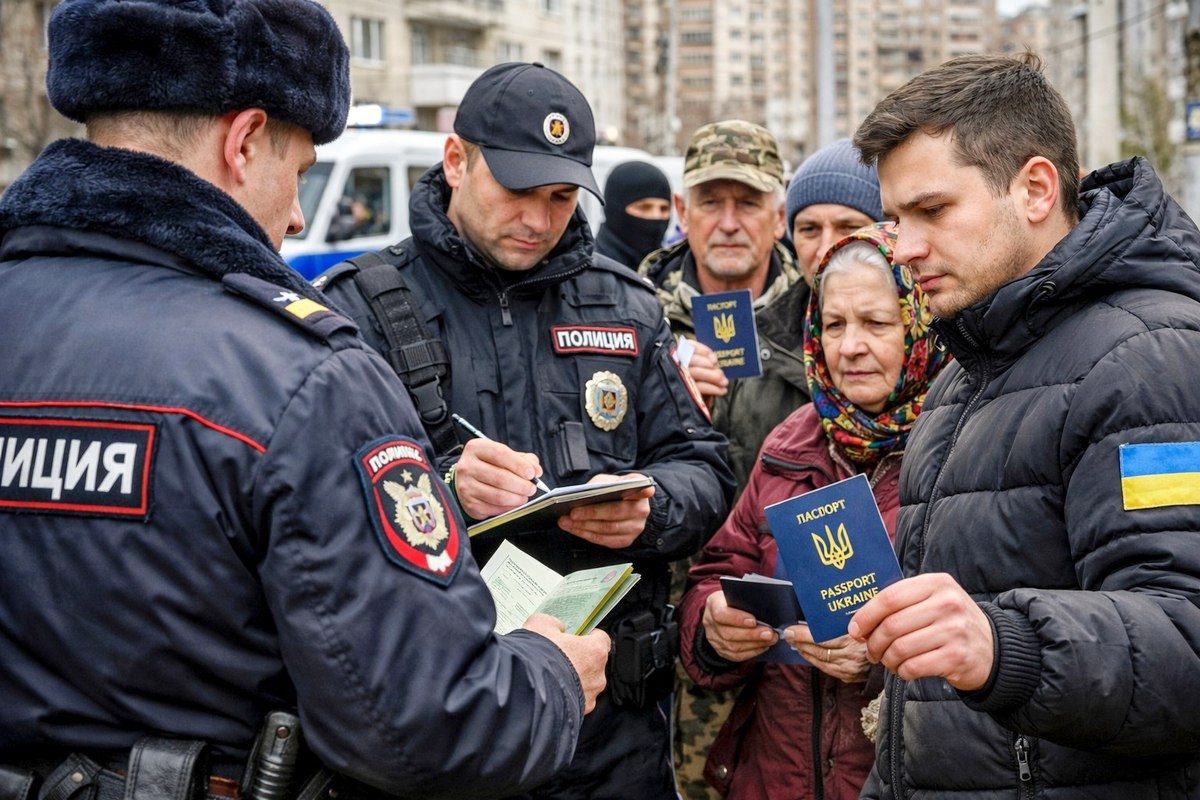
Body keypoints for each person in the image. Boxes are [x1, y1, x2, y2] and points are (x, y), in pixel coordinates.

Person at [0, 5, 611, 800]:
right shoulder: (300, 377)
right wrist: (551, 675)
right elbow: (428, 726)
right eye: (301, 173)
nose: (294, 215)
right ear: (245, 140)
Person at [316, 62, 735, 800]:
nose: (539, 220)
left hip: (611, 732)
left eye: (561, 197)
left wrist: (650, 507)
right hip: (446, 719)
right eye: (516, 191)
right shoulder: (364, 308)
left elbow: (704, 467)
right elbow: (313, 507)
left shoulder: (625, 305)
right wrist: (442, 489)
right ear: (455, 161)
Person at [849, 52, 1200, 798]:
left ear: (1036, 188)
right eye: (893, 219)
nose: (902, 248)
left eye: (932, 211)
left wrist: (1005, 645)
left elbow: (1187, 637)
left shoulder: (1149, 359)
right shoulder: (958, 381)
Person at [677, 223, 948, 799]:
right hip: (775, 776)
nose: (850, 345)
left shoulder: (960, 442)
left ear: (920, 325)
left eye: (877, 323)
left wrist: (881, 662)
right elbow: (717, 568)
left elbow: (996, 625)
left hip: (898, 778)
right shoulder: (790, 445)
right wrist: (713, 628)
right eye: (833, 324)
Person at [634, 119, 801, 799]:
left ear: (778, 215)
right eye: (710, 202)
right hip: (647, 620)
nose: (729, 223)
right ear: (681, 212)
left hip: (773, 625)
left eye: (749, 202)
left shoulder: (817, 315)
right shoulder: (629, 309)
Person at [713, 138, 888, 493]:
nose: (826, 247)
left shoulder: (932, 345)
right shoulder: (760, 340)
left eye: (847, 226)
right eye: (809, 229)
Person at [594, 159, 673, 269]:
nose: (656, 216)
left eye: (664, 209)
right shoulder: (588, 271)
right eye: (645, 207)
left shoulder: (670, 271)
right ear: (616, 210)